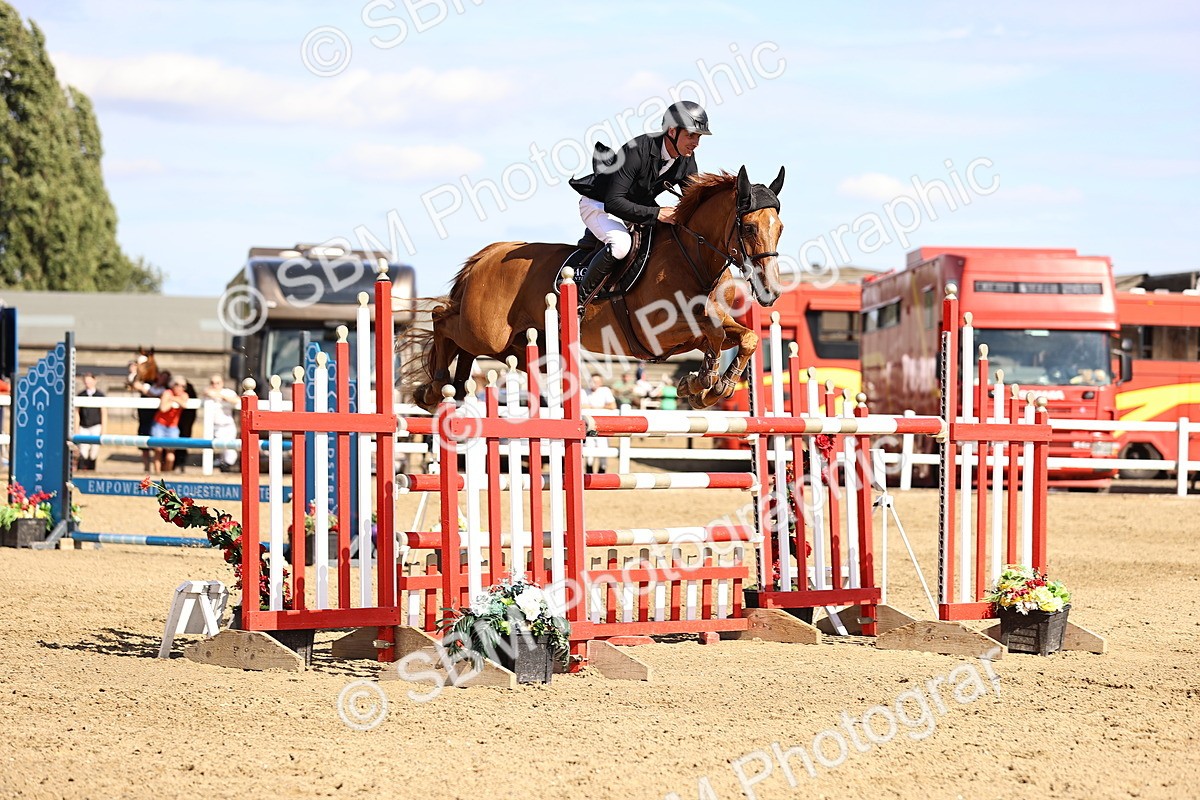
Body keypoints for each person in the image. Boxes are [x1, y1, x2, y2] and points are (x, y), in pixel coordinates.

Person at [569, 101, 712, 306]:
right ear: (672, 131)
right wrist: (656, 214)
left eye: (698, 137)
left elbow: (695, 201)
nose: (696, 142)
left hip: (631, 206)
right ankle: (578, 304)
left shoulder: (686, 159)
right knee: (621, 245)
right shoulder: (637, 150)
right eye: (691, 135)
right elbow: (614, 202)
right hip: (599, 205)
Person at [581, 374, 616, 474]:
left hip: (602, 427)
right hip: (589, 427)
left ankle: (602, 473)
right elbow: (581, 406)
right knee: (589, 452)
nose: (594, 384)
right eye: (592, 381)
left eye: (596, 381)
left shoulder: (605, 390)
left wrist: (594, 408)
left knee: (603, 451)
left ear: (601, 382)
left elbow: (612, 405)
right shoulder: (584, 391)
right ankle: (589, 474)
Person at [204, 374, 241, 472]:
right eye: (212, 383)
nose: (215, 385)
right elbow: (206, 392)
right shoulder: (208, 392)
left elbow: (237, 400)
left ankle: (227, 465)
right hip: (213, 426)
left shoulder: (228, 392)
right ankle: (220, 465)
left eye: (217, 383)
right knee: (215, 446)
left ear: (222, 383)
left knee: (229, 448)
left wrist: (221, 396)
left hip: (227, 425)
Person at [151, 376, 187, 474]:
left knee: (170, 452)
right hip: (159, 424)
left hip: (172, 427)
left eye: (182, 386)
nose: (180, 388)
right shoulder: (167, 392)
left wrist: (172, 399)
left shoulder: (183, 395)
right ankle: (157, 473)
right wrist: (174, 400)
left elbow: (184, 404)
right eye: (177, 385)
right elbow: (163, 408)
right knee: (158, 450)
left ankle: (167, 473)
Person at [75, 373, 105, 470]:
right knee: (83, 450)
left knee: (94, 451)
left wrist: (103, 429)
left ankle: (92, 469)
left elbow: (103, 412)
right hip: (84, 426)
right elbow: (77, 412)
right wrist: (76, 428)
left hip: (96, 425)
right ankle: (83, 470)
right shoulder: (81, 395)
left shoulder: (100, 395)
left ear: (94, 381)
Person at [173, 377, 198, 472]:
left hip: (185, 422)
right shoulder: (170, 392)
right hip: (174, 423)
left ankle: (180, 464)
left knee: (183, 442)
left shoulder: (188, 393)